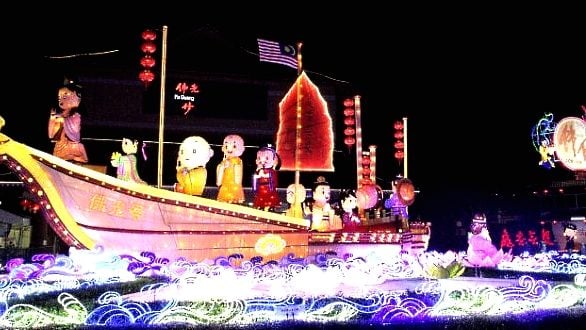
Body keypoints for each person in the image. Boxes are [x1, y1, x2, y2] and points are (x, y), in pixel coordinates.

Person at [48, 78, 88, 163]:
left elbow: (75, 132)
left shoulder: (76, 116)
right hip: (60, 147)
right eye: (59, 98)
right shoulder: (59, 117)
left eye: (65, 97)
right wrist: (52, 119)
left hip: (72, 148)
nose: (61, 101)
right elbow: (51, 135)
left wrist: (63, 118)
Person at [216, 134, 245, 203]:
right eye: (226, 146)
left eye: (234, 146)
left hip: (234, 188)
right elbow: (218, 180)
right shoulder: (224, 162)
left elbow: (238, 178)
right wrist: (222, 167)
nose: (229, 149)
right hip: (225, 188)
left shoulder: (238, 161)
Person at [252, 144, 281, 210]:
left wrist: (265, 175)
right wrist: (257, 176)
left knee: (270, 202)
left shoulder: (271, 171)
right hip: (260, 189)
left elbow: (274, 180)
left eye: (266, 159)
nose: (262, 162)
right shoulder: (259, 170)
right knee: (260, 203)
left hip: (269, 189)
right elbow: (255, 179)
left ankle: (270, 208)